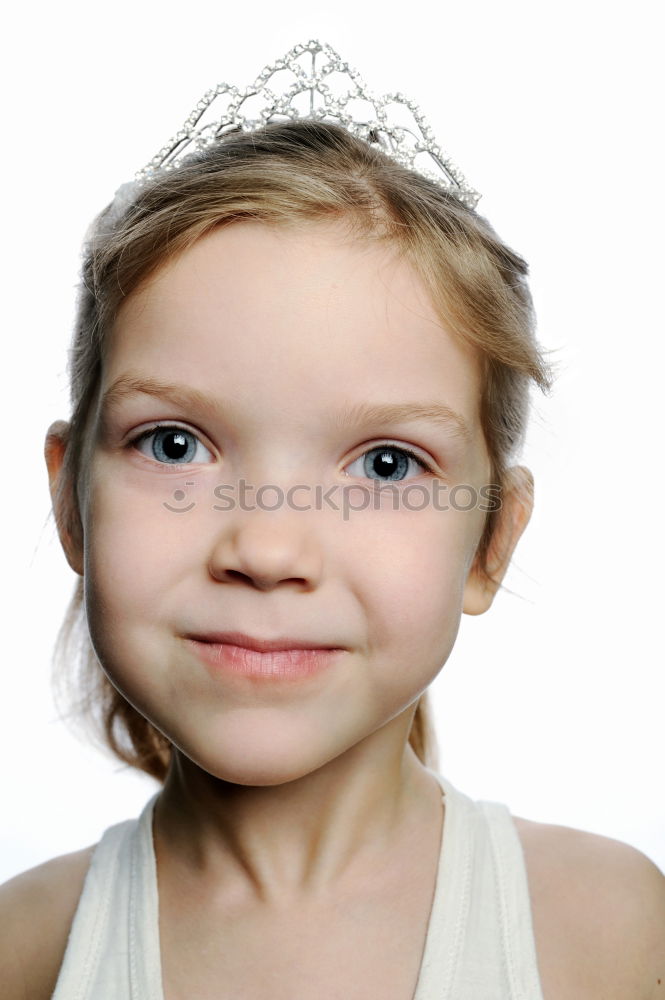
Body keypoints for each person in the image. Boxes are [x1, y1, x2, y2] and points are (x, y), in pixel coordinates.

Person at [1, 40, 663, 1000]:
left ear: (490, 542)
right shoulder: (23, 954)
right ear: (70, 502)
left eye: (386, 465)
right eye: (175, 445)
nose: (268, 549)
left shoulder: (613, 933)